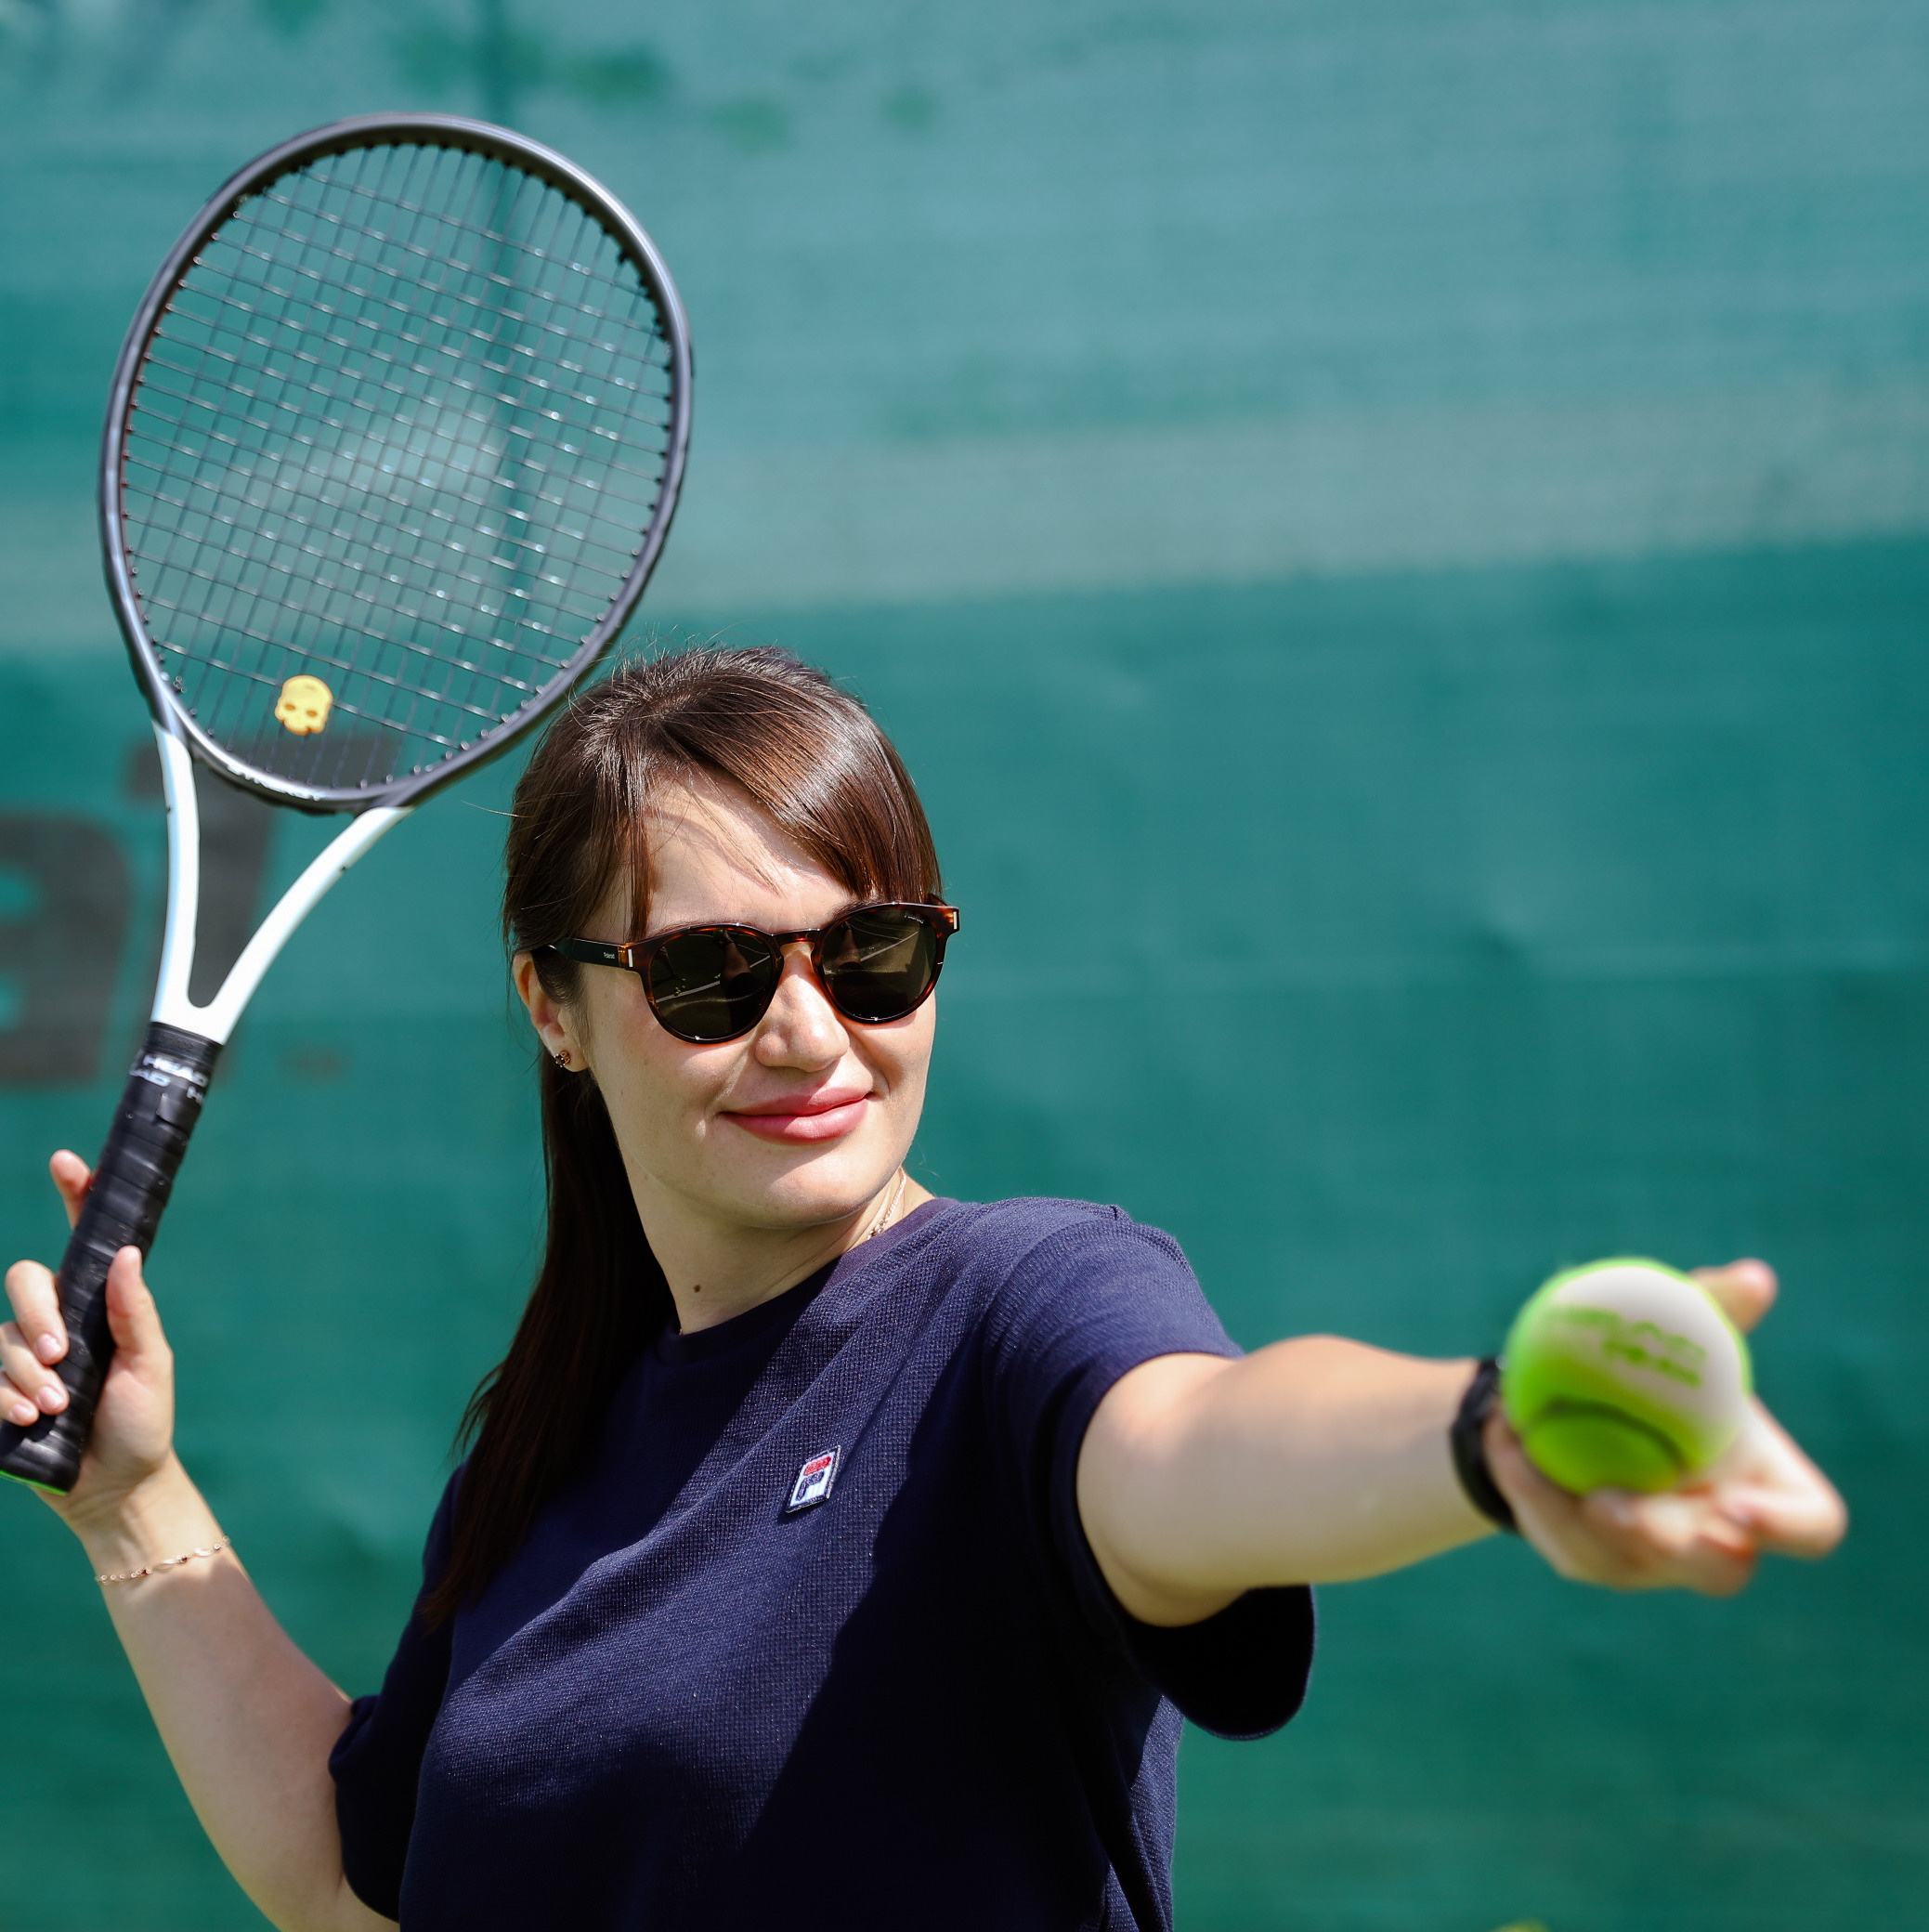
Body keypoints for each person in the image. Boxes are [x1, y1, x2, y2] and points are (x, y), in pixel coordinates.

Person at [2, 647, 1845, 1931]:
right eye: (714, 972)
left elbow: (1200, 1442)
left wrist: (1481, 1432)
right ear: (551, 1006)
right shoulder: (536, 1464)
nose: (811, 1026)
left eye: (871, 950)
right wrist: (134, 1502)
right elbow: (360, 1879)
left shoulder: (1025, 1300)